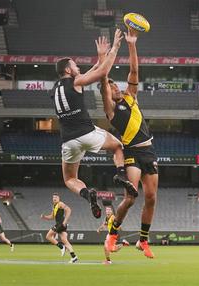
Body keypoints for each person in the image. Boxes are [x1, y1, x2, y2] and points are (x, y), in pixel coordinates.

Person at [51, 29, 137, 220]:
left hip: (68, 141)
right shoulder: (76, 81)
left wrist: (100, 56)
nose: (78, 68)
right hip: (86, 133)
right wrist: (115, 47)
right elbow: (102, 72)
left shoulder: (55, 89)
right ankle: (121, 175)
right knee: (118, 147)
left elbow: (93, 70)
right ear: (67, 70)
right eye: (75, 66)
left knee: (70, 179)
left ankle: (86, 193)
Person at [99, 28, 158, 259]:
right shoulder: (111, 110)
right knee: (131, 197)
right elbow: (103, 79)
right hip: (132, 152)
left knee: (152, 198)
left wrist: (132, 43)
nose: (115, 88)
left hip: (149, 151)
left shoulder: (131, 96)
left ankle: (143, 240)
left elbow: (134, 69)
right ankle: (112, 235)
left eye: (116, 85)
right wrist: (103, 59)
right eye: (111, 87)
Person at [41, 193, 78, 263]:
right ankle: (74, 257)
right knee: (65, 241)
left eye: (56, 197)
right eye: (53, 197)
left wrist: (65, 221)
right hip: (61, 224)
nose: (54, 198)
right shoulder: (54, 206)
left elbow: (69, 210)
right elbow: (52, 217)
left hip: (61, 224)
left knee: (48, 236)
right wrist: (44, 217)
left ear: (59, 198)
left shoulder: (60, 204)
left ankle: (61, 247)